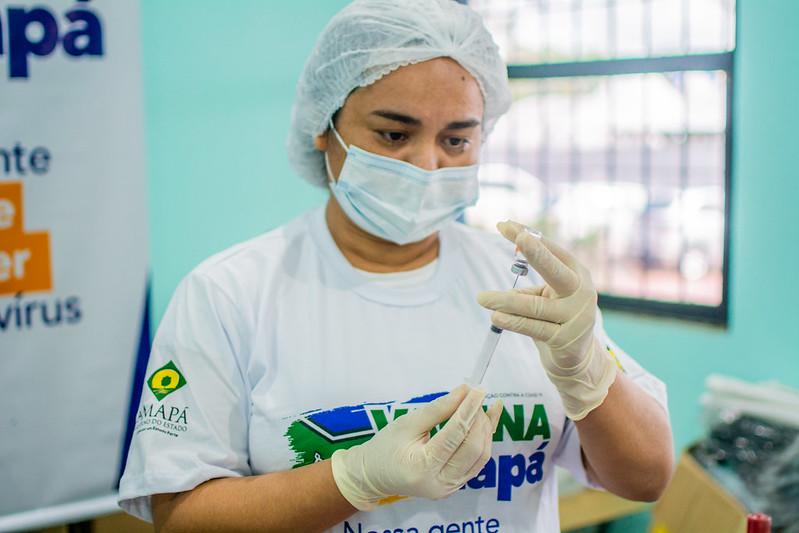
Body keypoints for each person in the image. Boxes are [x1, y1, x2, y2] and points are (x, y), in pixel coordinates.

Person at [118, 0, 673, 531]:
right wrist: (355, 479)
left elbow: (646, 478)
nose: (427, 163)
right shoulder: (230, 294)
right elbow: (183, 517)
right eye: (394, 134)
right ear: (323, 126)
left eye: (456, 139)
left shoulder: (522, 284)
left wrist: (586, 371)